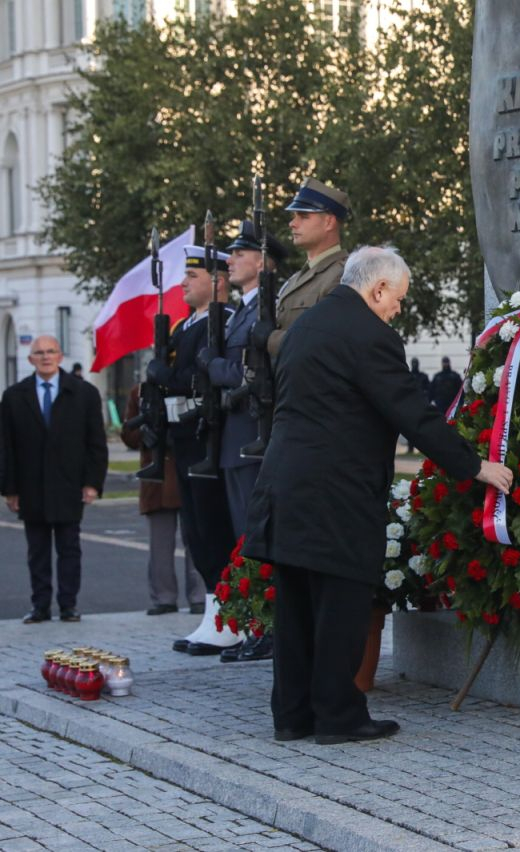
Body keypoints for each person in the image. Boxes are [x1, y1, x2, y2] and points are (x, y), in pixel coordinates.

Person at [243, 246, 513, 745]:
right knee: (341, 606)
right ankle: (340, 717)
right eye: (399, 299)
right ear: (379, 287)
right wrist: (474, 466)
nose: (398, 310)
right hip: (336, 492)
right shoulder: (369, 335)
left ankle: (293, 716)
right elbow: (411, 411)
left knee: (298, 608)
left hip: (286, 485)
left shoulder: (307, 325)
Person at [146, 245, 239, 656]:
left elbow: (199, 377)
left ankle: (229, 618)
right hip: (182, 438)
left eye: (192, 277)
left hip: (207, 435)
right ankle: (213, 613)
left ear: (217, 282)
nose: (183, 283)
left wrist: (165, 374)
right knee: (195, 530)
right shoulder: (186, 326)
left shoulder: (223, 323)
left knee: (213, 525)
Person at [202, 218, 286, 663]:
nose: (230, 260)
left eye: (239, 254)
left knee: (258, 533)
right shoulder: (243, 310)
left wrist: (214, 367)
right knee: (243, 535)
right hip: (236, 439)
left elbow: (255, 375)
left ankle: (270, 626)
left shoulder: (265, 309)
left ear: (262, 260)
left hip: (254, 436)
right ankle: (256, 624)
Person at [1, 336, 108, 624]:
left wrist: (92, 483)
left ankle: (69, 605)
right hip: (30, 485)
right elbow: (6, 447)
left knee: (69, 548)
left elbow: (96, 443)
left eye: (51, 352)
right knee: (37, 551)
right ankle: (40, 606)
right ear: (30, 359)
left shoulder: (83, 393)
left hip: (69, 483)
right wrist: (9, 489)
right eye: (39, 353)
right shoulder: (14, 396)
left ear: (60, 356)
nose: (45, 357)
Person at [121, 383, 202, 615]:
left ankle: (198, 595)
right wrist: (143, 433)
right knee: (160, 546)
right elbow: (128, 433)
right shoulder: (140, 391)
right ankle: (164, 597)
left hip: (187, 471)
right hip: (157, 480)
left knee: (195, 541)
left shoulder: (193, 385)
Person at [261, 177, 350, 358]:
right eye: (294, 216)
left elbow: (325, 341)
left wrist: (270, 339)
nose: (292, 223)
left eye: (303, 216)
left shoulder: (344, 274)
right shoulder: (294, 280)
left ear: (329, 222)